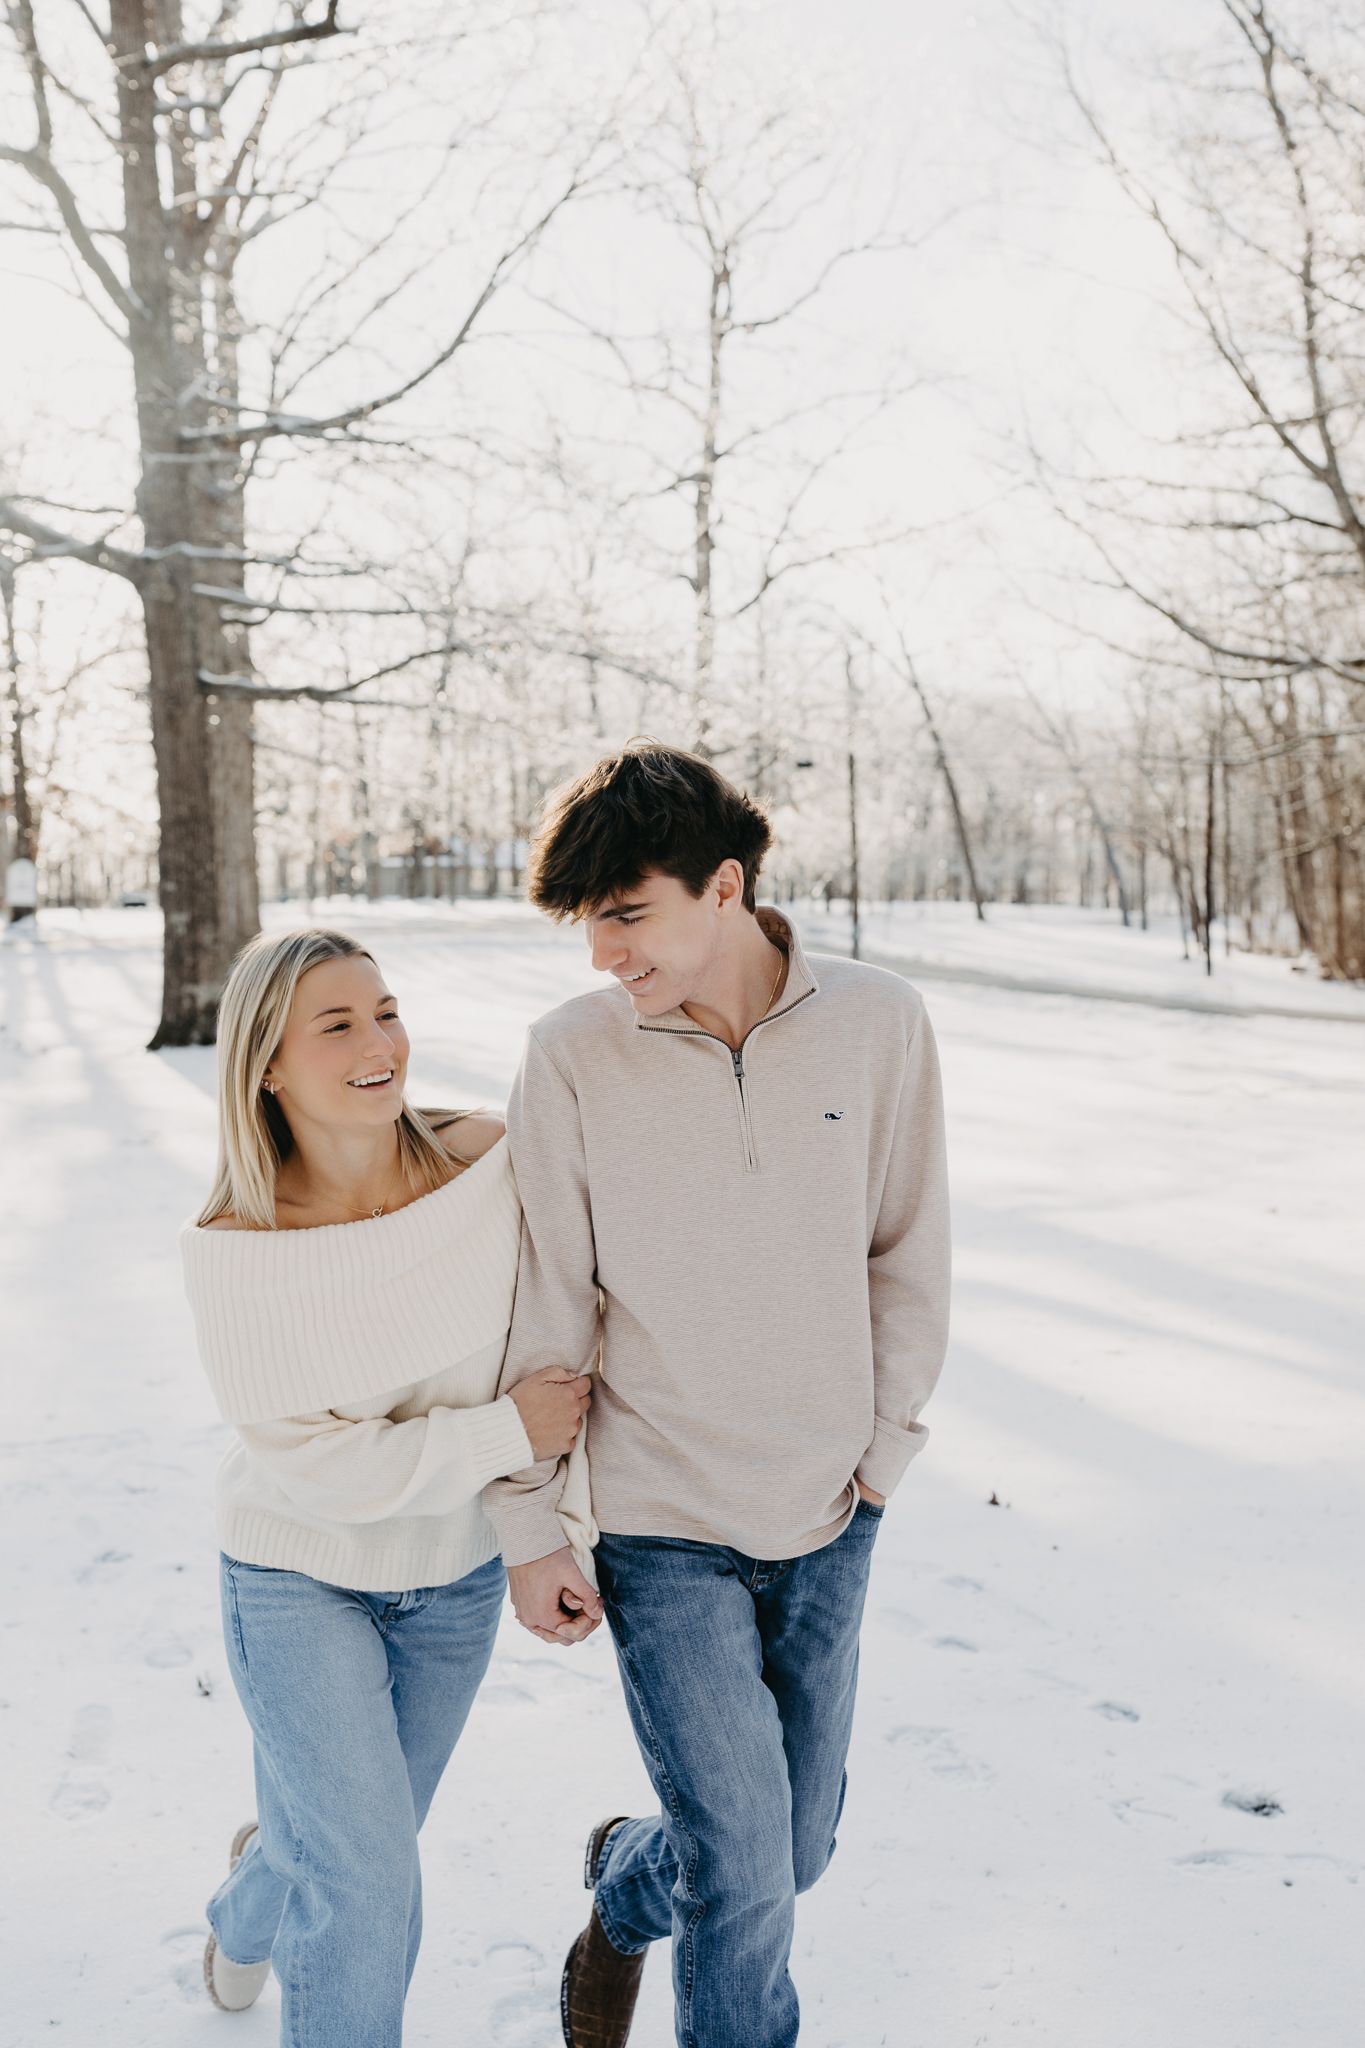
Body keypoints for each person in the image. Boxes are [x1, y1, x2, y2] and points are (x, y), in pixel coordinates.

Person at [483, 743, 952, 2048]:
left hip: (827, 1511)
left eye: (625, 913)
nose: (599, 954)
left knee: (786, 1855)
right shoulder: (571, 1056)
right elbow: (544, 1300)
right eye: (587, 923)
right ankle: (683, 1865)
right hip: (661, 1523)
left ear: (726, 886)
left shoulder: (879, 1023)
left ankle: (631, 1881)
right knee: (746, 1865)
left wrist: (879, 1457)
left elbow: (907, 1252)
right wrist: (530, 1526)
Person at [180, 926, 595, 2048]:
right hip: (295, 1575)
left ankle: (254, 1887)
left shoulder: (489, 1162)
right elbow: (315, 1460)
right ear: (266, 1062)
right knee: (367, 1883)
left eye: (387, 1010)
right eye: (338, 1023)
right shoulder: (236, 1248)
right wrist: (503, 1430)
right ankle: (287, 1870)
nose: (382, 1042)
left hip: (450, 1579)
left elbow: (578, 1302)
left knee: (356, 1844)